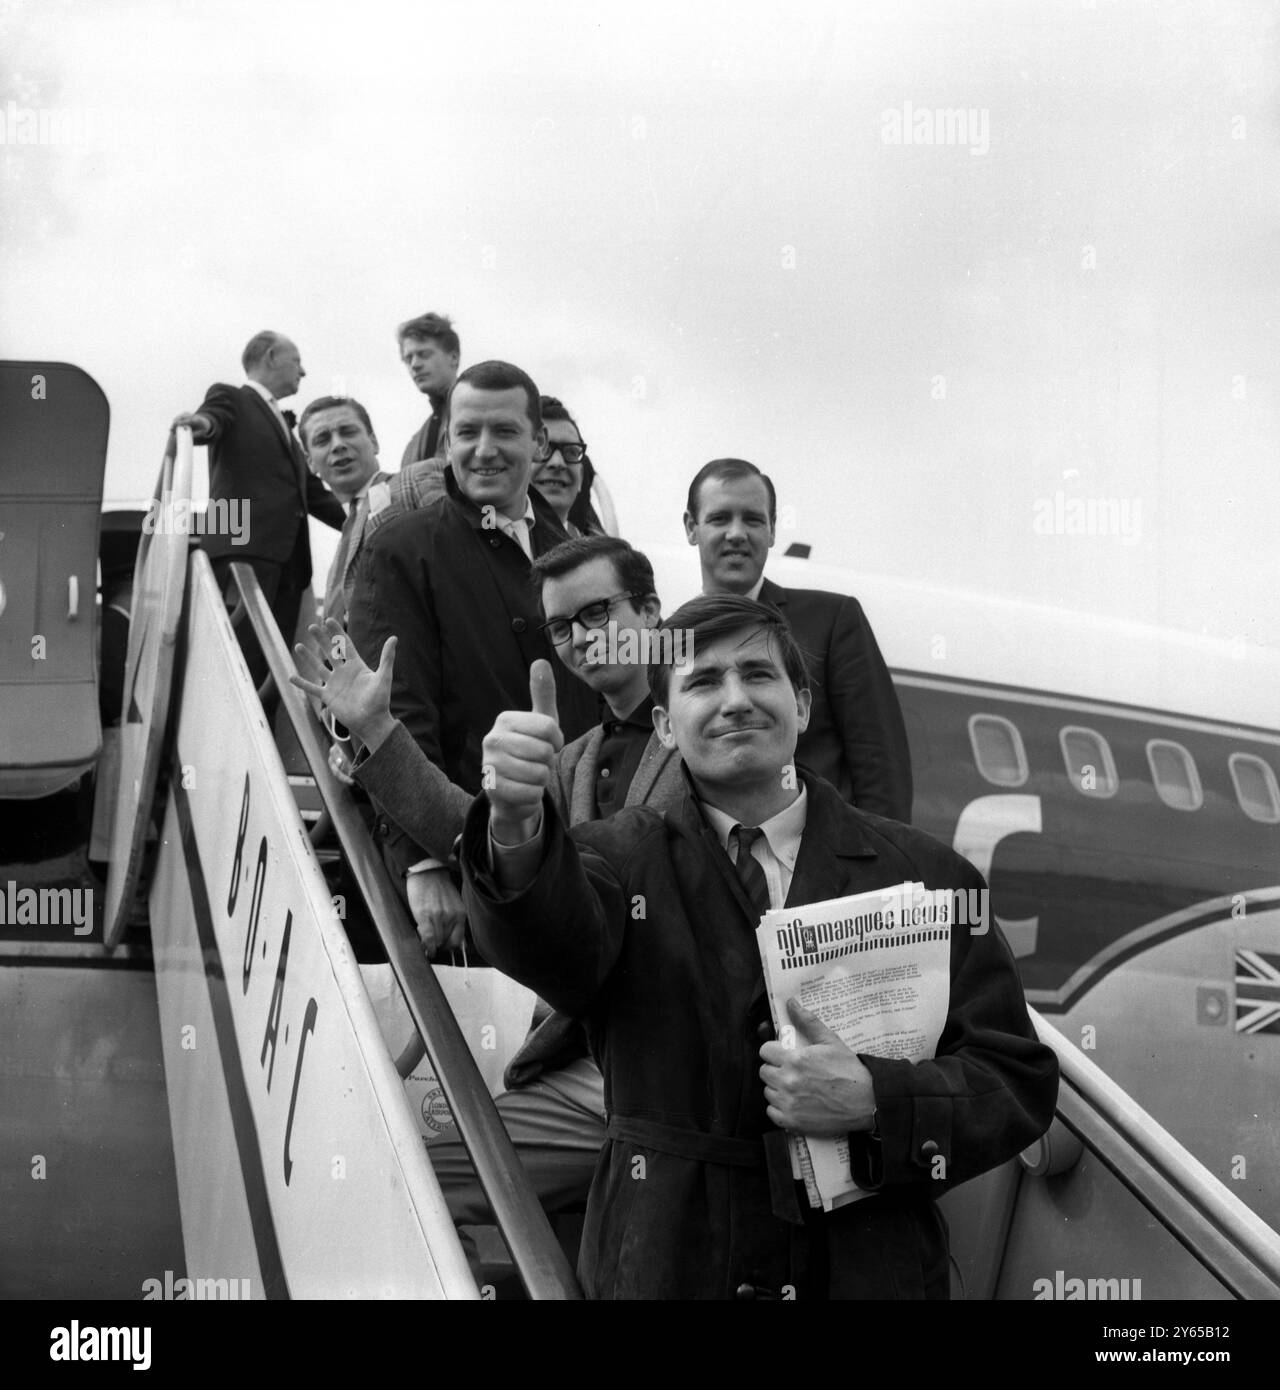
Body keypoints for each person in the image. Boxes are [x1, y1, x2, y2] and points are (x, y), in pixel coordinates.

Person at [459, 593, 1058, 1299]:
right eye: (703, 682)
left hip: (865, 1274)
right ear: (664, 725)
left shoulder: (926, 876)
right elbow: (549, 946)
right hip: (668, 1264)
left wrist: (878, 1100)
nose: (735, 700)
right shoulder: (615, 862)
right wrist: (515, 826)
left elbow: (1014, 1079)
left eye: (758, 675)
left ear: (802, 706)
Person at [291, 535, 685, 1240]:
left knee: (408, 1196)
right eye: (561, 627)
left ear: (652, 611)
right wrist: (378, 731)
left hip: (679, 1077)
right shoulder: (573, 757)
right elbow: (467, 835)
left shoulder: (707, 726)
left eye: (598, 613)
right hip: (594, 1068)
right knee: (404, 1188)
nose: (579, 639)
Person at [346, 360, 598, 940]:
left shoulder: (583, 558)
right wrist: (422, 859)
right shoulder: (400, 550)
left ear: (538, 443)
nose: (484, 450)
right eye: (467, 432)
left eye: (505, 432)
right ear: (448, 441)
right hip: (464, 867)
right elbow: (394, 710)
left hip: (577, 861)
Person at [685, 457, 913, 821]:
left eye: (753, 519)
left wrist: (883, 862)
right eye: (720, 518)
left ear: (773, 530)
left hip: (823, 857)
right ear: (691, 527)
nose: (737, 533)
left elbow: (879, 760)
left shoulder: (833, 620)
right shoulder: (671, 639)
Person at [171, 331, 345, 681]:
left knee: (269, 670)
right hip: (242, 550)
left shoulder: (281, 424)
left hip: (287, 563)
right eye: (296, 361)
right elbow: (212, 418)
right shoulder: (231, 395)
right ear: (269, 357)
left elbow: (311, 491)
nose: (303, 372)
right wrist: (198, 425)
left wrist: (360, 521)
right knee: (240, 662)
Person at [297, 395, 390, 626]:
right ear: (310, 463)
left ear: (374, 442)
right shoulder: (348, 530)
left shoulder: (411, 482)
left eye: (348, 432)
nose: (337, 445)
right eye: (322, 439)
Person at [530, 397, 605, 537]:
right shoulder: (482, 549)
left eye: (571, 451)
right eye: (542, 448)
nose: (558, 462)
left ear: (581, 478)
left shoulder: (605, 556)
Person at [399, 311, 459, 468]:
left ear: (453, 357)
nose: (415, 364)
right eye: (408, 358)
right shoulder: (414, 446)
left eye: (424, 354)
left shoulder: (486, 413)